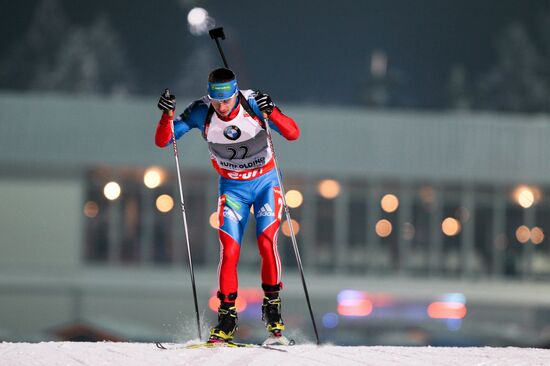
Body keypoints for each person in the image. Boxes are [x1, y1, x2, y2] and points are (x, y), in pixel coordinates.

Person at [154, 67, 300, 343]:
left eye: (226, 100)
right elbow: (164, 140)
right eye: (216, 101)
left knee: (267, 242)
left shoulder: (254, 102)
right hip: (233, 188)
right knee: (229, 249)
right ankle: (226, 319)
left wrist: (273, 113)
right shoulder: (201, 111)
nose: (221, 107)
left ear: (235, 93)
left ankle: (273, 315)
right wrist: (166, 116)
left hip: (265, 185)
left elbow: (293, 133)